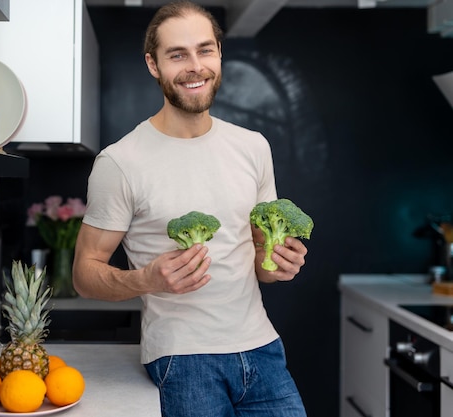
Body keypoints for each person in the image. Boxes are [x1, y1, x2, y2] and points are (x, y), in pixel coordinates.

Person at [72, 1, 309, 416]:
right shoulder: (121, 162)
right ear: (153, 64)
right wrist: (146, 278)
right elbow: (84, 274)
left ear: (219, 53)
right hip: (182, 359)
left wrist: (277, 264)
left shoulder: (253, 146)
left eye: (205, 50)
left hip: (263, 348)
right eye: (177, 54)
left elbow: (260, 262)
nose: (194, 66)